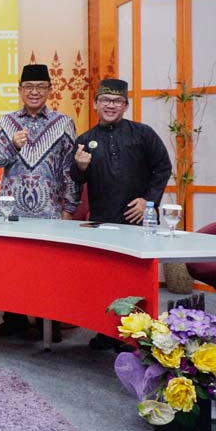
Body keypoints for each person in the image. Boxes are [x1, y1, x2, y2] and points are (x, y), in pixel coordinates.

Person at [71, 78, 172, 350]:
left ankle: (137, 335)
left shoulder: (143, 134)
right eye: (105, 100)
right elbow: (75, 179)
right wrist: (80, 167)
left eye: (117, 101)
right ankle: (106, 332)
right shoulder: (85, 140)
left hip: (139, 219)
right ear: (95, 104)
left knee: (135, 279)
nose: (111, 105)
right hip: (103, 220)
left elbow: (163, 168)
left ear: (125, 105)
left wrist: (148, 202)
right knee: (105, 277)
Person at [0, 64, 80, 342]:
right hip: (11, 209)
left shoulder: (63, 123)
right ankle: (14, 318)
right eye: (28, 87)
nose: (34, 92)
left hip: (49, 210)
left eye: (40, 87)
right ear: (20, 90)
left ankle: (46, 320)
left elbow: (70, 169)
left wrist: (69, 207)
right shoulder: (5, 122)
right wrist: (13, 145)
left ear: (50, 90)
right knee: (13, 265)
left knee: (47, 267)